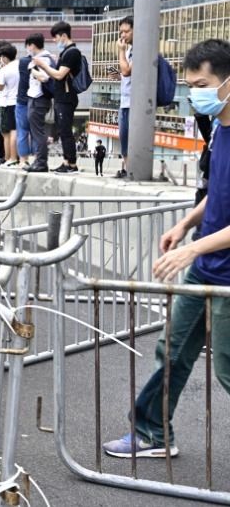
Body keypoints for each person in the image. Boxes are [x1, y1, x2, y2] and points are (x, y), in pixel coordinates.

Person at [102, 39, 230, 460]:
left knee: (227, 370)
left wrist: (190, 252)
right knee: (171, 351)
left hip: (222, 273)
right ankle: (153, 432)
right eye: (191, 84)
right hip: (206, 266)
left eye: (203, 83)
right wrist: (184, 225)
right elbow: (218, 195)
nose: (196, 93)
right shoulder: (219, 131)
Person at [32, 21, 82, 173]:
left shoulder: (72, 52)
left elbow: (60, 75)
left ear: (64, 36)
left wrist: (44, 66)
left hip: (66, 98)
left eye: (56, 37)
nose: (54, 41)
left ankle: (71, 164)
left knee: (65, 131)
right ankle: (67, 161)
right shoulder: (67, 52)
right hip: (62, 97)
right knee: (62, 130)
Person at [24, 35, 55, 173]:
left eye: (27, 46)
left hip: (39, 98)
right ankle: (38, 161)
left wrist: (32, 69)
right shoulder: (41, 58)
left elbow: (44, 77)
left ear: (32, 45)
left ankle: (41, 162)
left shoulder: (43, 59)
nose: (27, 49)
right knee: (36, 131)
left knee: (38, 132)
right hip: (36, 98)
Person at [111, 16, 134, 179]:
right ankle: (127, 169)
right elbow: (125, 74)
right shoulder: (129, 49)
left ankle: (132, 170)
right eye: (121, 32)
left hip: (134, 102)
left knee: (130, 138)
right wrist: (117, 75)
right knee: (124, 137)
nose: (123, 35)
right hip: (126, 100)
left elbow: (127, 71)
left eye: (126, 31)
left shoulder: (139, 48)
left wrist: (120, 50)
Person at [0, 44, 19, 166]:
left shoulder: (4, 70)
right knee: (17, 130)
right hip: (19, 102)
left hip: (7, 102)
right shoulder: (20, 65)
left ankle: (10, 158)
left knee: (7, 132)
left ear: (4, 57)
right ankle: (17, 157)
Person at [15, 35, 36, 167]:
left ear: (30, 46)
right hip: (37, 101)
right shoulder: (45, 60)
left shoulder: (23, 61)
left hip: (22, 100)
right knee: (36, 131)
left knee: (22, 131)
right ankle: (37, 158)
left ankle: (23, 160)